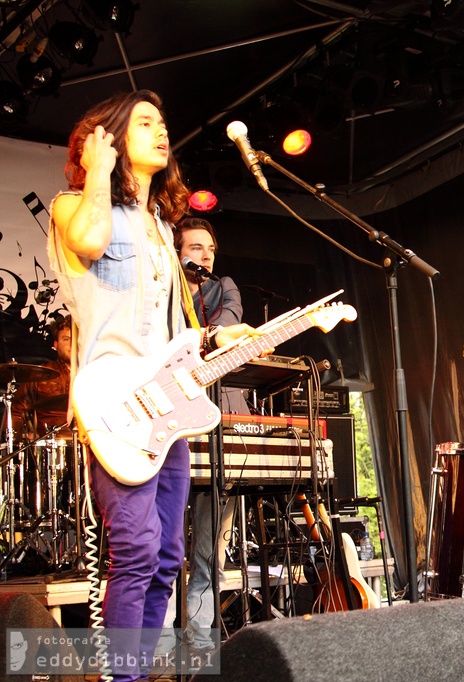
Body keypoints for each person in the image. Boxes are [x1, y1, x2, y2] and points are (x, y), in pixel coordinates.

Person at [47, 90, 260, 682]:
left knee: (167, 557)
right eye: (144, 123)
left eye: (163, 124)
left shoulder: (165, 230)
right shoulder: (74, 204)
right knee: (137, 552)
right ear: (109, 137)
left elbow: (175, 332)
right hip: (116, 404)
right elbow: (88, 242)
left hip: (167, 408)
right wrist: (98, 170)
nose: (161, 132)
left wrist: (219, 339)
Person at [174, 217, 245, 653]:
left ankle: (199, 642)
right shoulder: (162, 292)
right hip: (166, 422)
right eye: (195, 247)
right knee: (156, 548)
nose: (205, 255)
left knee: (208, 547)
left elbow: (227, 330)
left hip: (217, 418)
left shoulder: (225, 289)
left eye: (210, 248)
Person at [11, 315, 72, 441]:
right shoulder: (40, 375)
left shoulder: (93, 375)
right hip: (49, 445)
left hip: (88, 444)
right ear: (55, 344)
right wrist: (23, 436)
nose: (72, 344)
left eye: (76, 339)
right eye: (66, 339)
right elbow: (16, 413)